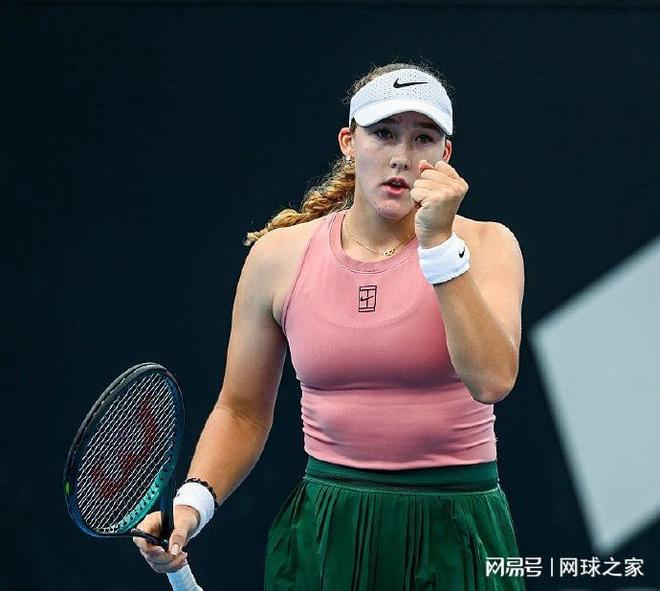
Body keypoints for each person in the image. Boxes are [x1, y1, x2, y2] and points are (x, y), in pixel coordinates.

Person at [134, 60, 526, 590]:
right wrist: (189, 507)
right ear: (349, 143)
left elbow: (492, 380)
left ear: (445, 157)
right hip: (325, 531)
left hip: (458, 526)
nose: (402, 156)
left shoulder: (487, 246)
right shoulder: (278, 258)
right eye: (383, 133)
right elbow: (241, 410)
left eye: (423, 138)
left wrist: (438, 246)